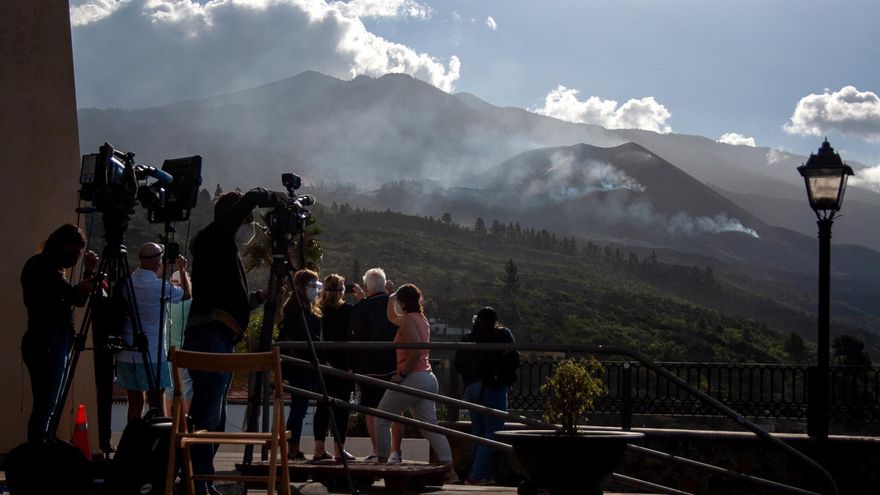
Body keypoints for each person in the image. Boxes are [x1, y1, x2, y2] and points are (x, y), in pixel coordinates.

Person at [183, 188, 274, 495]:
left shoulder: (222, 251)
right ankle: (198, 484)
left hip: (220, 336)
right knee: (208, 415)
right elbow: (241, 207)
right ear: (232, 218)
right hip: (210, 336)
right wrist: (263, 195)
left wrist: (260, 298)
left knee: (216, 417)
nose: (249, 226)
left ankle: (201, 482)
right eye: (246, 219)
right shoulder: (216, 237)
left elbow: (229, 299)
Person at [20, 224, 98, 443]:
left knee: (47, 405)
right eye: (74, 252)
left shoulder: (45, 268)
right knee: (45, 406)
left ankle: (43, 447)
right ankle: (39, 450)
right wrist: (83, 285)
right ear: (61, 245)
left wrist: (88, 275)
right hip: (47, 342)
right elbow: (65, 295)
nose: (74, 258)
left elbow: (77, 300)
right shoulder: (40, 267)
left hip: (50, 341)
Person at [375, 284, 455, 481]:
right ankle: (449, 470)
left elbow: (416, 350)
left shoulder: (408, 320)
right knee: (430, 427)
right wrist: (390, 298)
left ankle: (381, 465)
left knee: (381, 418)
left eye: (397, 302)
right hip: (428, 377)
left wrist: (401, 374)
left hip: (413, 377)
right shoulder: (422, 319)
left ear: (402, 303)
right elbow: (391, 318)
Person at [116, 242, 191, 422]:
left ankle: (134, 441)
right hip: (153, 355)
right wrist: (182, 270)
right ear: (158, 260)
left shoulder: (127, 282)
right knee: (157, 401)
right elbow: (187, 294)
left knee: (135, 403)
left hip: (127, 353)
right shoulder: (159, 287)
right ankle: (160, 445)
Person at [454, 307, 519, 485]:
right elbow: (515, 359)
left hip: (471, 388)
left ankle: (484, 475)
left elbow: (458, 364)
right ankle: (476, 475)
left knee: (478, 433)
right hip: (493, 386)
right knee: (493, 431)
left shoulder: (468, 337)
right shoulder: (503, 334)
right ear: (495, 321)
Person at [348, 267, 403, 462]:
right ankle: (396, 452)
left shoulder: (361, 308)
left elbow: (355, 338)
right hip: (395, 364)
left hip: (369, 367)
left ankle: (378, 450)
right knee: (395, 410)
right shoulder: (395, 305)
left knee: (371, 409)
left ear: (367, 287)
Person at [277, 269, 323, 460]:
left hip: (306, 364)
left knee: (301, 407)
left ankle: (293, 448)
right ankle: (292, 449)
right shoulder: (296, 310)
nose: (314, 291)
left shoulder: (305, 309)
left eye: (316, 286)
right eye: (310, 286)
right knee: (299, 407)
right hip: (300, 365)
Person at [312, 274, 355, 461]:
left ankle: (318, 449)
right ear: (342, 290)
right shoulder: (349, 310)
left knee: (322, 407)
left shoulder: (317, 309)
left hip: (323, 364)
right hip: (343, 366)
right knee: (341, 409)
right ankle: (339, 450)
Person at [164, 270, 194, 415]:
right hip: (185, 353)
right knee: (186, 388)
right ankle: (185, 422)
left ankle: (168, 420)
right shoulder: (191, 304)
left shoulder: (167, 302)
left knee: (169, 388)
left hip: (168, 352)